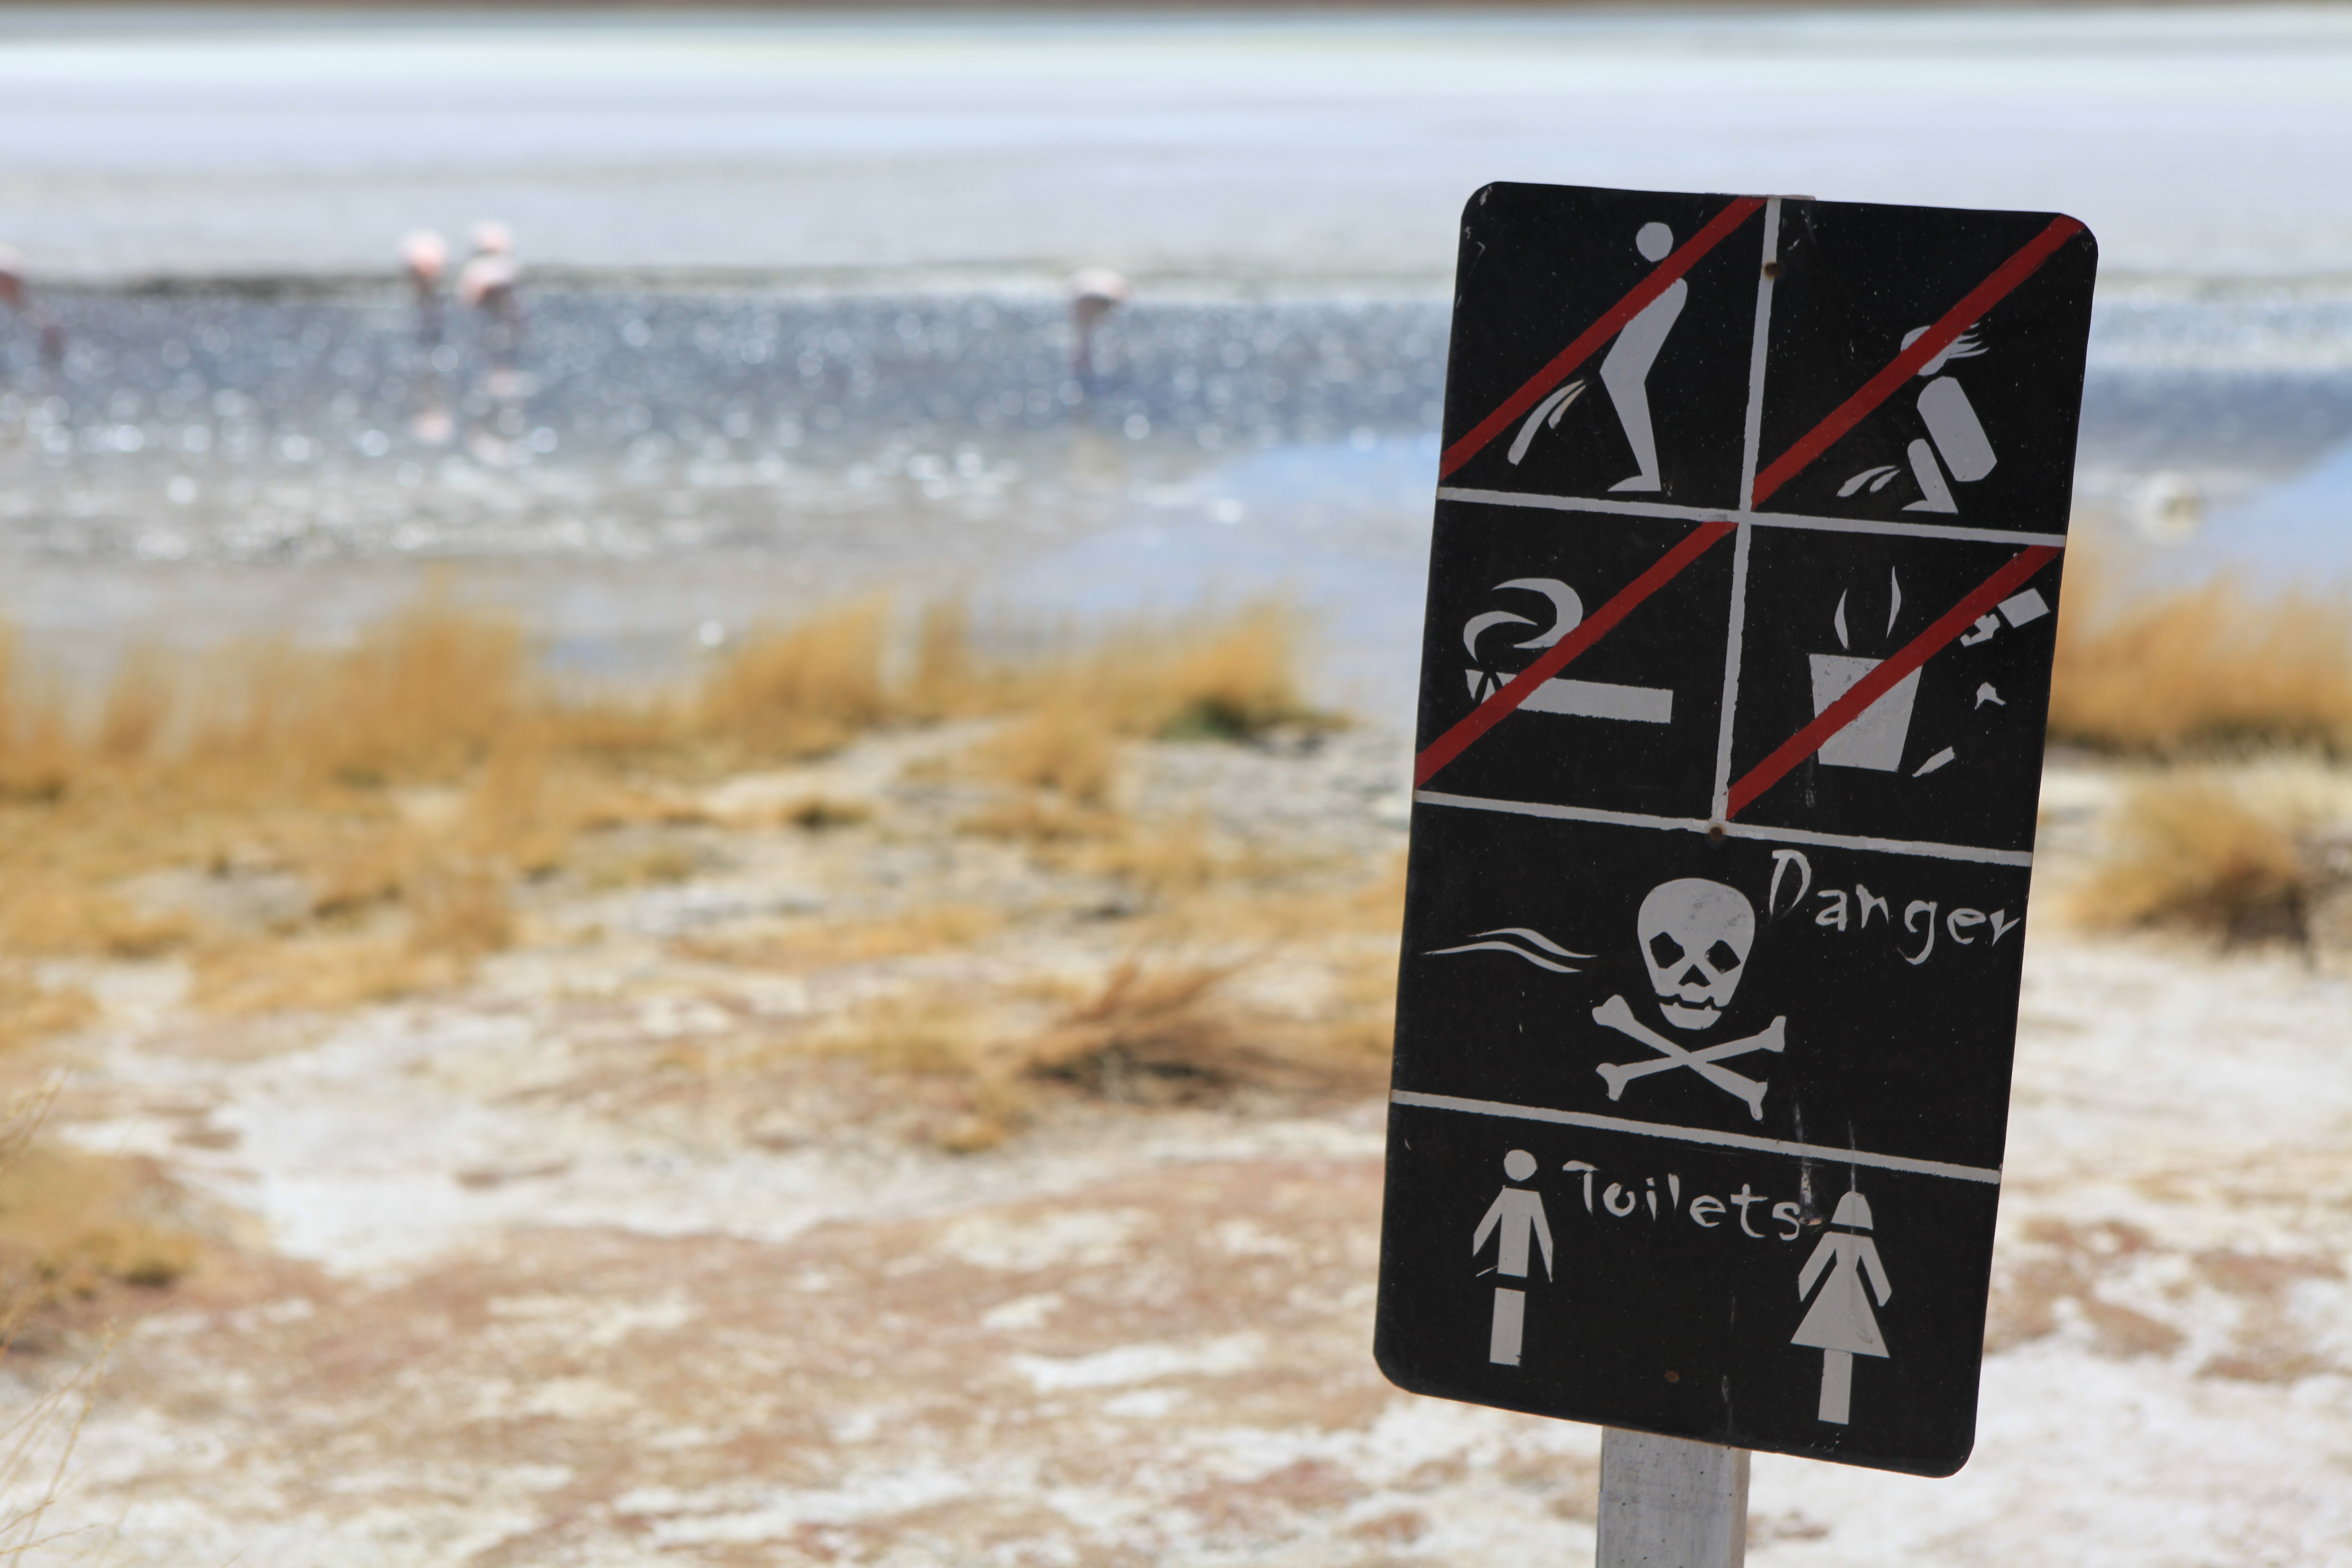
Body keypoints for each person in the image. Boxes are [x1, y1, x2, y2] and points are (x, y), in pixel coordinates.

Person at [1792, 1190, 1893, 1424]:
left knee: (1837, 1347)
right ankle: (1832, 1418)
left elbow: (1807, 1276)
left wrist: (1804, 1295)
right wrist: (1881, 1300)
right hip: (1851, 1301)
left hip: (1836, 1298)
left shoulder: (1834, 1238)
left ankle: (1833, 1418)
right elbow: (1882, 1288)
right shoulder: (1861, 1242)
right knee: (1841, 1346)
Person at [1473, 1149, 1554, 1366]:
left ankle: (1506, 1358)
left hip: (1508, 1267)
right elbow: (1546, 1239)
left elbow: (1482, 1232)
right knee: (1512, 1305)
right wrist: (1549, 1270)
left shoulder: (1509, 1196)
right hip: (1518, 1269)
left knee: (1508, 1305)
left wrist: (1474, 1257)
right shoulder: (1528, 1198)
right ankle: (1507, 1359)